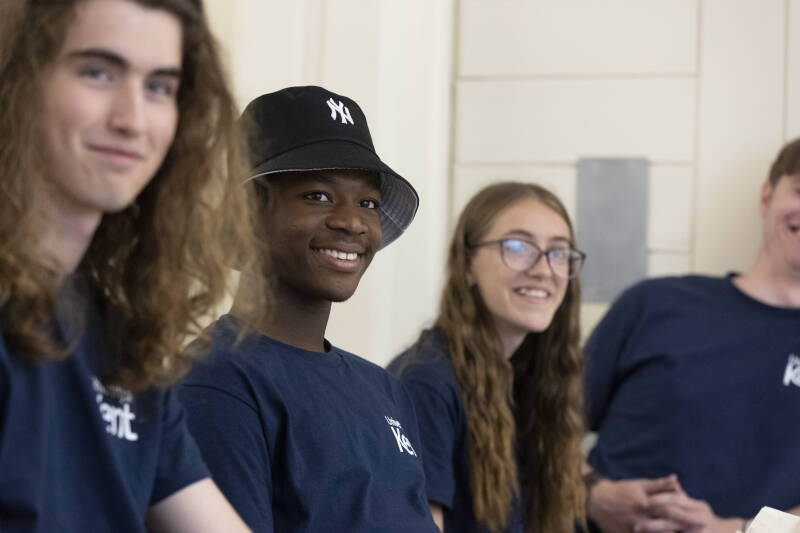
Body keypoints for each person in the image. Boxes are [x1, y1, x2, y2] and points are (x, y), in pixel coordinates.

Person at [0, 0, 260, 531]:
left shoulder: (122, 339)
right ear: (17, 78)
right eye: (98, 72)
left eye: (159, 87)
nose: (133, 120)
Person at [179, 85, 440, 533]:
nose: (352, 221)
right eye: (317, 195)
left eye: (369, 203)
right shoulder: (216, 379)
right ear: (247, 215)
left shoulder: (385, 390)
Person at [584, 138, 800, 533]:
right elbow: (542, 425)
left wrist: (736, 530)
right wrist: (590, 495)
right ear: (767, 197)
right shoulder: (655, 304)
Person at [388, 182, 588, 533]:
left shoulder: (534, 380)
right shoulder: (426, 383)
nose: (544, 270)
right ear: (467, 265)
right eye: (518, 246)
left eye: (558, 253)